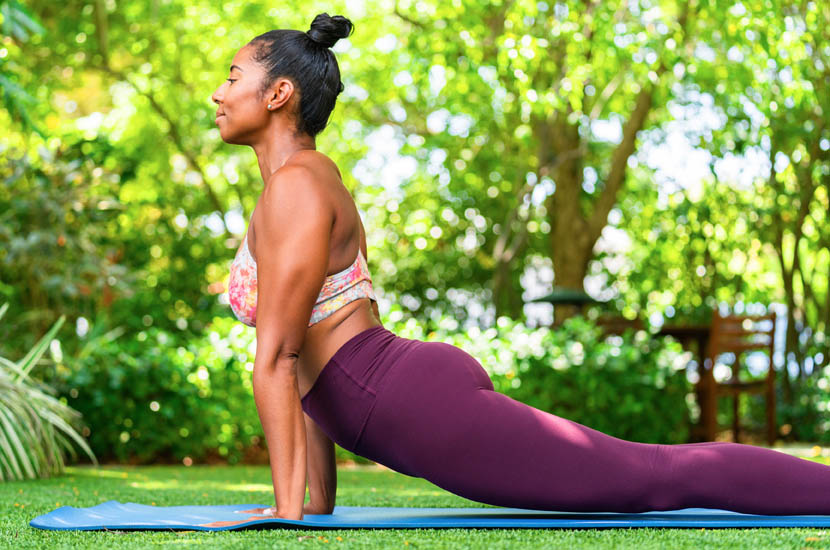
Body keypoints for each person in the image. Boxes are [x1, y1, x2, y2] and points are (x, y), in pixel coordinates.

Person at [206, 13, 830, 527]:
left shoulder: (296, 186)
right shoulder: (295, 185)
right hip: (394, 391)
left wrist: (288, 511)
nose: (218, 93)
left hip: (405, 403)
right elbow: (306, 369)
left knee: (656, 477)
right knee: (653, 475)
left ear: (278, 93)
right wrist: (310, 502)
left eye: (232, 77)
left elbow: (282, 356)